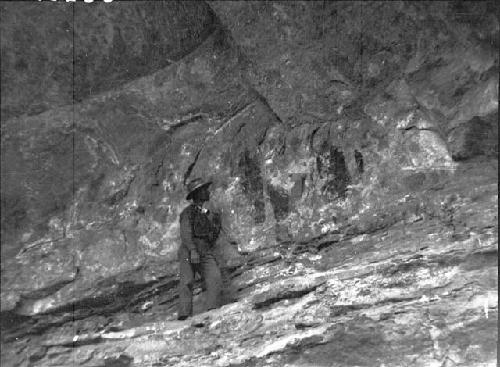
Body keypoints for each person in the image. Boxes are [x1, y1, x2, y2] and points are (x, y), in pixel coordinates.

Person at [177, 177, 223, 320]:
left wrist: (213, 219)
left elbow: (214, 234)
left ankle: (212, 310)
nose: (207, 192)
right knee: (187, 281)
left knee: (214, 277)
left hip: (204, 249)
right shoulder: (188, 213)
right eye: (204, 190)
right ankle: (184, 315)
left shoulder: (211, 213)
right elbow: (185, 232)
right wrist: (192, 250)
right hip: (189, 248)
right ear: (197, 194)